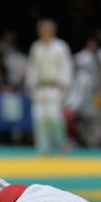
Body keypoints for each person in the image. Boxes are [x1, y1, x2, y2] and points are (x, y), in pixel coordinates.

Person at [26, 19, 74, 155]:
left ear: (52, 32)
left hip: (55, 87)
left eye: (47, 31)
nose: (44, 33)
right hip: (40, 87)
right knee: (40, 118)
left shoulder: (60, 47)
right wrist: (31, 85)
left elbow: (66, 66)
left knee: (55, 117)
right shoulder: (36, 47)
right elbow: (32, 67)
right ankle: (43, 148)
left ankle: (61, 142)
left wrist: (64, 85)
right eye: (42, 31)